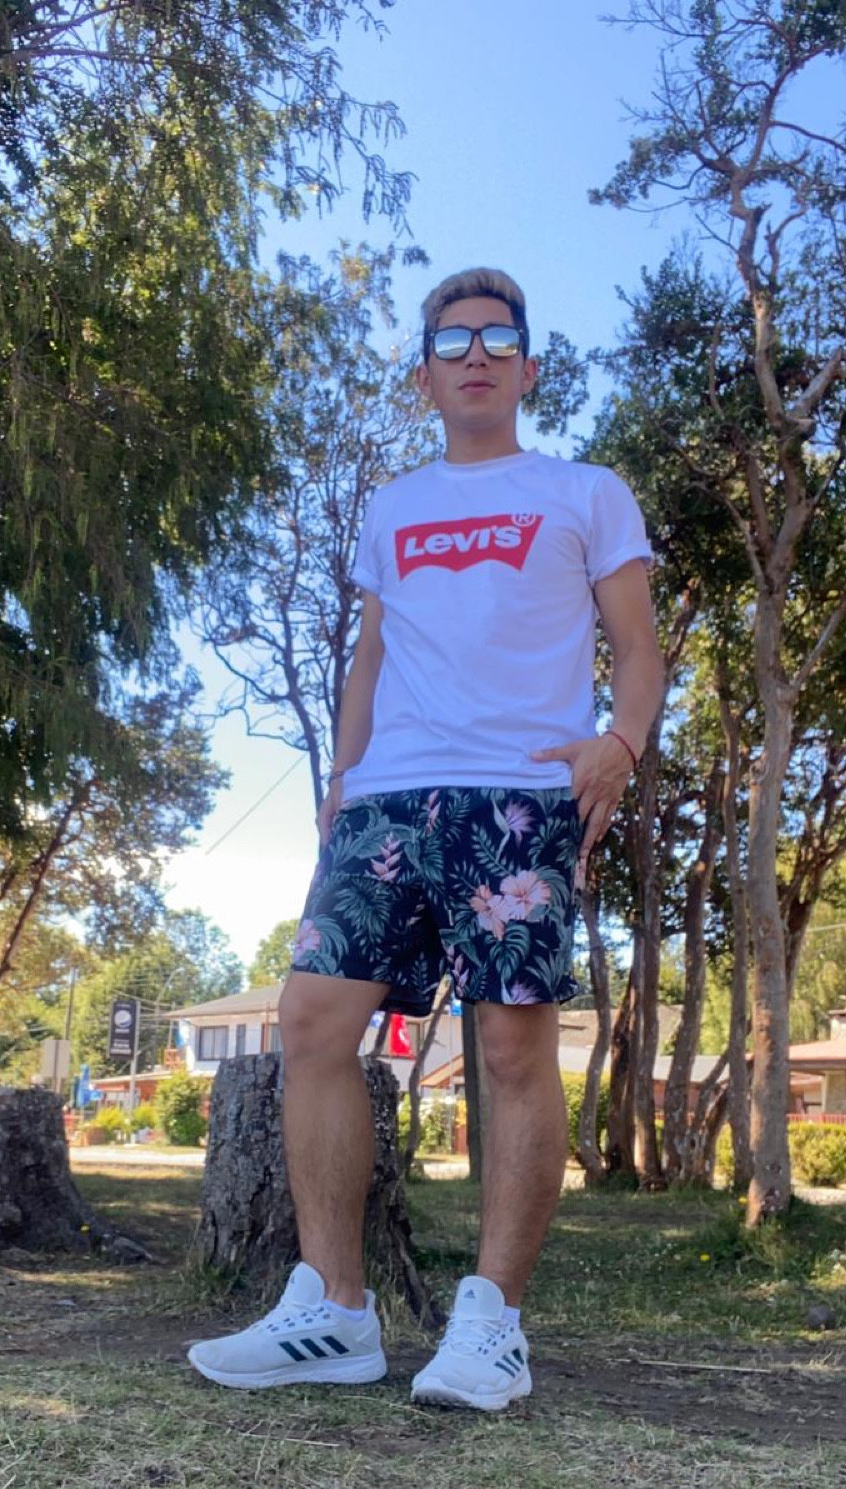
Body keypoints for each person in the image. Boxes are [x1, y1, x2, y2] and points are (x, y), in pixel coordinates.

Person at [188, 268, 665, 1410]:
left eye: (499, 337)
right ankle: (334, 1312)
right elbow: (370, 654)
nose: (476, 354)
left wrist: (623, 743)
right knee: (312, 1020)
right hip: (388, 800)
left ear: (529, 369)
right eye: (453, 341)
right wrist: (342, 781)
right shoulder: (393, 506)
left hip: (520, 795)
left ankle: (492, 1325)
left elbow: (640, 647)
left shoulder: (586, 492)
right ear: (425, 378)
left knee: (510, 1047)